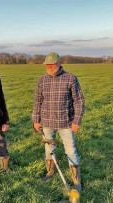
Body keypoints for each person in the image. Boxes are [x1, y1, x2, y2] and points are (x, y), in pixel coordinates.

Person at [32, 52, 85, 192]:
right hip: (47, 122)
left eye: (52, 64)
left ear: (59, 63)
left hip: (66, 122)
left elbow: (79, 101)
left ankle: (76, 181)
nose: (49, 67)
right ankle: (50, 172)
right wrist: (36, 120)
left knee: (71, 150)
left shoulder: (71, 78)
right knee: (49, 149)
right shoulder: (41, 80)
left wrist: (77, 121)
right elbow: (38, 102)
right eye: (47, 65)